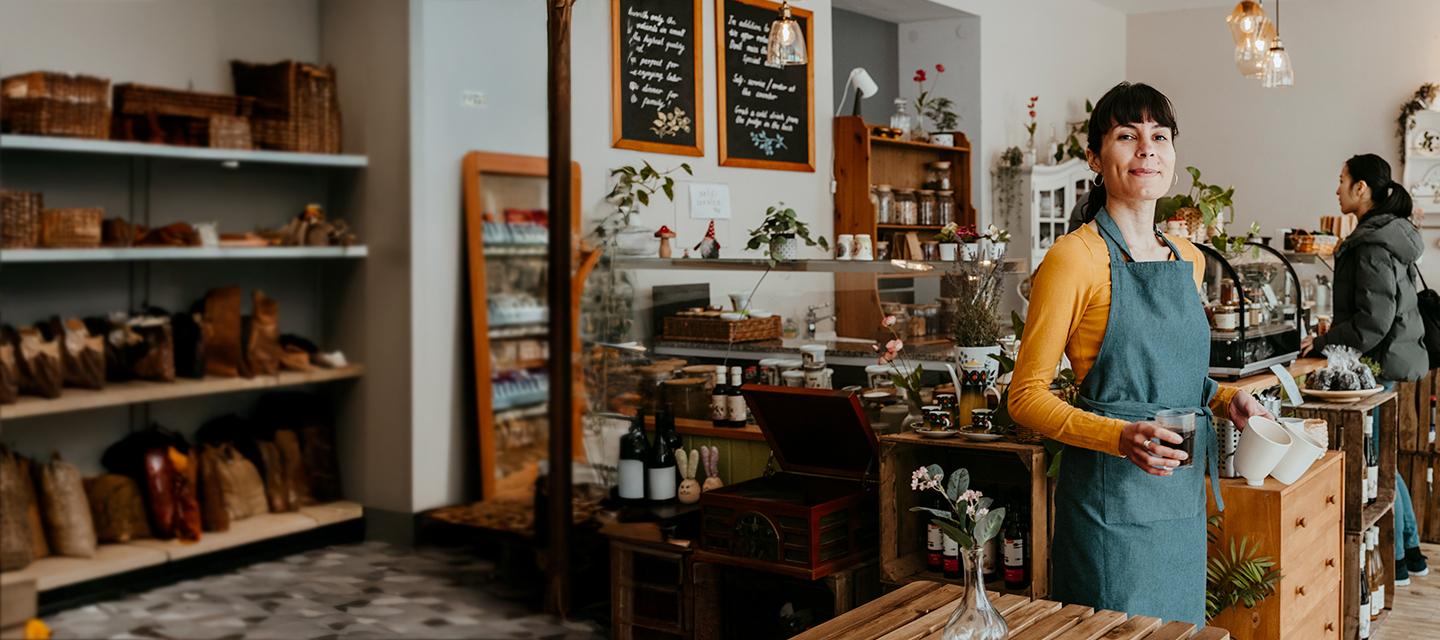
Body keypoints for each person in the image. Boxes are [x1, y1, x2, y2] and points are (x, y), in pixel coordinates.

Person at [1007, 82, 1271, 625]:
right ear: (1095, 158)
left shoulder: (1189, 259)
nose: (1147, 148)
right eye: (1127, 135)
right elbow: (1025, 397)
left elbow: (1173, 379)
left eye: (1159, 136)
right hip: (1110, 506)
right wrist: (1118, 437)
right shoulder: (1072, 258)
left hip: (1179, 501)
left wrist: (1226, 401)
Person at [1301, 153, 1429, 583]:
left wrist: (1321, 343)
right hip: (1389, 358)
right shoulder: (1387, 235)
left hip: (1378, 362)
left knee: (1380, 462)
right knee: (1383, 459)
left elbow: (1373, 321)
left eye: (1341, 181)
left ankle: (1402, 554)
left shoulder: (1373, 242)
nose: (1336, 189)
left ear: (1361, 189)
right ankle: (1407, 554)